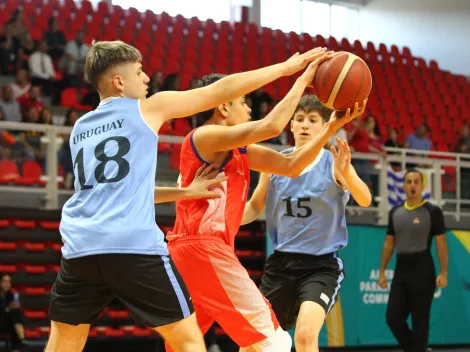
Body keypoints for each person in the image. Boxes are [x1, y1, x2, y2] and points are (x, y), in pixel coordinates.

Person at [46, 40, 330, 352]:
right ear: (119, 82)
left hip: (79, 245)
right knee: (189, 341)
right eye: (139, 72)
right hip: (136, 245)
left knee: (64, 342)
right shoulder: (148, 108)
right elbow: (223, 90)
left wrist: (184, 192)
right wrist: (290, 70)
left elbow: (115, 192)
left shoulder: (79, 128)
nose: (146, 79)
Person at [164, 56, 368, 351]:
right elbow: (273, 125)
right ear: (223, 107)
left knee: (186, 344)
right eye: (243, 103)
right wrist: (301, 78)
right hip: (204, 249)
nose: (248, 108)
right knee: (275, 342)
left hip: (190, 252)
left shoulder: (239, 150)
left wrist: (331, 127)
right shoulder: (204, 136)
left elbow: (291, 165)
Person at [240, 95, 371, 352]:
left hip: (320, 266)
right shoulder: (273, 162)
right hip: (281, 264)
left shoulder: (334, 162)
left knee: (306, 336)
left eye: (312, 120)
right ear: (290, 125)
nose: (304, 125)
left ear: (324, 126)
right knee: (253, 342)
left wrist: (346, 173)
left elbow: (365, 198)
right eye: (299, 119)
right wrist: (226, 221)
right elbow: (256, 206)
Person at [378, 169, 448, 352]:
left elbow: (441, 244)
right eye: (409, 181)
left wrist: (444, 272)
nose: (412, 185)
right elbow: (388, 245)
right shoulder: (395, 212)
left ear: (422, 186)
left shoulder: (433, 211)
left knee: (420, 322)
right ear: (404, 186)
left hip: (423, 271)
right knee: (393, 318)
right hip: (402, 271)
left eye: (416, 181)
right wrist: (382, 272)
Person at [0, 274, 27, 352]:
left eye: (9, 282)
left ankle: (17, 347)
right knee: (14, 314)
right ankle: (22, 338)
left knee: (15, 314)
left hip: (6, 323)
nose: (7, 284)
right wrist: (8, 308)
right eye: (4, 281)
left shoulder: (11, 294)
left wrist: (12, 307)